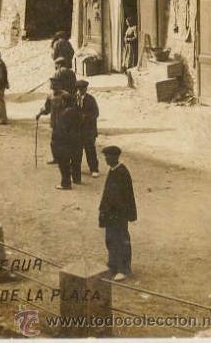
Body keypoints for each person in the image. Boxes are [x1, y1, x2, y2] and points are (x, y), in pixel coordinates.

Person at [99, 146, 137, 280]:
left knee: (121, 240)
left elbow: (126, 196)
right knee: (110, 239)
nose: (106, 159)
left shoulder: (122, 172)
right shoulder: (113, 170)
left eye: (108, 157)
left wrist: (125, 214)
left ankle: (124, 269)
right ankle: (113, 265)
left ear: (115, 157)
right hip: (111, 213)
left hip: (119, 214)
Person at [73, 79, 100, 179]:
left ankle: (94, 169)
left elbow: (96, 113)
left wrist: (86, 117)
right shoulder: (73, 99)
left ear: (86, 89)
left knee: (90, 150)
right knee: (77, 151)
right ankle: (76, 169)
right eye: (79, 89)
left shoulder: (91, 99)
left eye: (82, 89)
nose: (80, 91)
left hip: (89, 130)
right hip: (77, 131)